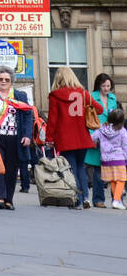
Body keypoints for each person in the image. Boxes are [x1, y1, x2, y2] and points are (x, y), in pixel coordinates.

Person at [46, 67, 103, 210]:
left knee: (71, 169)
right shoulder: (83, 93)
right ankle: (85, 198)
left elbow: (52, 119)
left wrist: (49, 138)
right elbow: (100, 109)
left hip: (65, 138)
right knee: (80, 168)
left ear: (58, 78)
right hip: (82, 137)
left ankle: (77, 199)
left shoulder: (55, 95)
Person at [0, 66, 33, 210]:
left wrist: (27, 136)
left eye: (7, 80)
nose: (3, 82)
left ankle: (8, 199)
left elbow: (28, 115)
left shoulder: (19, 96)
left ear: (11, 81)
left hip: (14, 138)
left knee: (11, 169)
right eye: (0, 79)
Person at [86, 74, 118, 207]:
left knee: (114, 168)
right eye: (104, 86)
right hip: (97, 135)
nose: (106, 88)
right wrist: (92, 136)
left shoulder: (112, 98)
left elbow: (115, 116)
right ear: (99, 85)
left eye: (108, 86)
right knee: (99, 169)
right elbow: (88, 118)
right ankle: (98, 199)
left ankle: (117, 199)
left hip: (111, 136)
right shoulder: (91, 97)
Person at [90, 110, 127, 209]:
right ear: (121, 121)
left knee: (113, 181)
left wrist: (95, 143)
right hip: (119, 159)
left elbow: (92, 137)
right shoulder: (122, 131)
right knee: (121, 180)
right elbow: (125, 146)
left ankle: (117, 200)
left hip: (106, 160)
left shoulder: (102, 129)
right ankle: (116, 200)